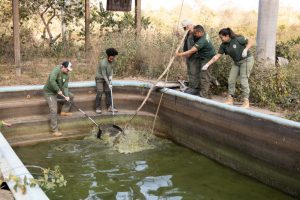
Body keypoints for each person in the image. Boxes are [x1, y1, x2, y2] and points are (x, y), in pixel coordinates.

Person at [202, 28, 254, 108]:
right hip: (237, 62)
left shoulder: (238, 39)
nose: (221, 39)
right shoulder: (223, 45)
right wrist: (207, 64)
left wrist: (246, 49)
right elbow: (217, 56)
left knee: (243, 80)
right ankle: (230, 100)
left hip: (246, 60)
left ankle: (246, 102)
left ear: (227, 36)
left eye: (221, 37)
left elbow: (251, 40)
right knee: (231, 80)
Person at [176, 25, 216, 98]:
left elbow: (192, 50)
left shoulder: (202, 40)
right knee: (203, 75)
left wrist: (179, 54)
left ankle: (204, 96)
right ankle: (207, 93)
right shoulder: (204, 33)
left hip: (208, 58)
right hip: (203, 57)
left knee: (205, 76)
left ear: (200, 32)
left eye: (195, 33)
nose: (195, 35)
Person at [43, 61, 74, 136]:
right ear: (63, 67)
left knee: (71, 96)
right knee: (53, 110)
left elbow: (65, 87)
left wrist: (66, 96)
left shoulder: (66, 75)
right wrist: (58, 90)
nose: (68, 71)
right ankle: (54, 130)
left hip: (58, 91)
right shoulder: (56, 70)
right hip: (49, 93)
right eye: (67, 69)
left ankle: (64, 111)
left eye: (69, 70)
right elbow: (52, 80)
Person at [179, 19, 200, 95]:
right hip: (188, 55)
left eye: (185, 27)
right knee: (190, 71)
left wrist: (188, 54)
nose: (184, 29)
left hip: (194, 56)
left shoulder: (196, 32)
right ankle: (192, 87)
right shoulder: (188, 33)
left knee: (194, 71)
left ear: (189, 25)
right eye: (184, 28)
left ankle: (195, 89)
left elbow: (196, 46)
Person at [95, 48, 119, 114]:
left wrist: (111, 78)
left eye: (114, 56)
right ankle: (97, 107)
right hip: (99, 78)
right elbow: (104, 75)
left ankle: (110, 107)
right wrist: (109, 83)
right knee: (100, 91)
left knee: (108, 91)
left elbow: (111, 70)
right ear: (108, 56)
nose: (113, 58)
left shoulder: (113, 61)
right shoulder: (103, 63)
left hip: (107, 78)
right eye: (112, 56)